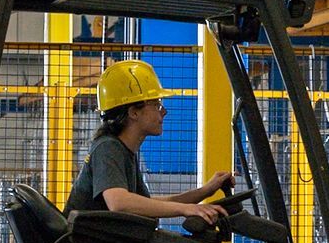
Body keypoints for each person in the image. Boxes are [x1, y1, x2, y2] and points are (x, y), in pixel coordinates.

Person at [65, 59, 233, 226]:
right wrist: (185, 209)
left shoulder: (124, 151)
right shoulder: (108, 147)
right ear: (133, 112)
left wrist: (206, 191)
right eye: (156, 105)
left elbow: (148, 203)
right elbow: (119, 203)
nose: (164, 112)